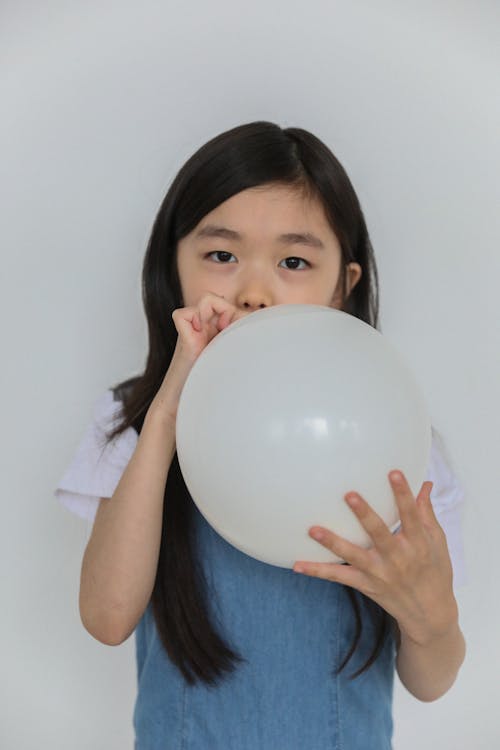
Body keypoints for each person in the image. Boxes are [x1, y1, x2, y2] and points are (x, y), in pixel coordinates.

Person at [55, 121, 467, 749]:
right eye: (221, 255)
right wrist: (166, 413)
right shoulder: (138, 424)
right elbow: (108, 618)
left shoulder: (398, 439)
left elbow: (431, 681)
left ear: (343, 286)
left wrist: (430, 616)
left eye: (294, 261)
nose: (252, 293)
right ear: (176, 266)